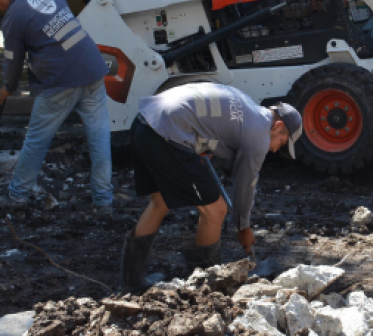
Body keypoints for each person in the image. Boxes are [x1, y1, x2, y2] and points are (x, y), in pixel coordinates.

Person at [120, 83, 302, 293]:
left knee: (159, 202)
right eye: (281, 142)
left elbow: (208, 129)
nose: (276, 149)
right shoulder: (258, 137)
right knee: (216, 210)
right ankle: (207, 287)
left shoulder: (245, 104)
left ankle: (130, 282)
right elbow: (245, 185)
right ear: (278, 125)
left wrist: (201, 148)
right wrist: (243, 226)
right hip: (166, 134)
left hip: (145, 123)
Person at [0, 0, 113, 213]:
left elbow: (13, 60)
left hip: (60, 81)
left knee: (36, 140)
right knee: (99, 137)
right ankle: (104, 201)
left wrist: (8, 88)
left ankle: (17, 195)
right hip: (93, 69)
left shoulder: (13, 17)